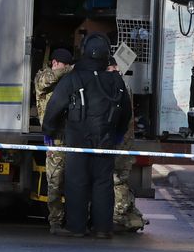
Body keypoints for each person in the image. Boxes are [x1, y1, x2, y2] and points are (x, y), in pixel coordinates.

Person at [42, 33, 131, 239]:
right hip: (106, 140)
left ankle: (76, 227)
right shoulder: (116, 81)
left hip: (78, 139)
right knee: (103, 183)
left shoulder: (74, 78)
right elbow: (126, 112)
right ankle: (102, 228)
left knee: (77, 182)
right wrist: (117, 134)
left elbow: (55, 106)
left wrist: (48, 130)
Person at [33, 48, 74, 234]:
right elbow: (51, 77)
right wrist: (73, 68)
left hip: (71, 138)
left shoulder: (67, 81)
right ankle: (55, 222)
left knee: (72, 182)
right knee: (55, 182)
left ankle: (72, 220)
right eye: (62, 65)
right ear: (55, 63)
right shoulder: (43, 77)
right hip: (54, 139)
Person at [107, 58, 147, 233]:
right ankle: (127, 214)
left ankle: (119, 216)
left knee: (118, 180)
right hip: (123, 141)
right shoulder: (123, 84)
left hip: (120, 143)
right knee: (120, 179)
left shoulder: (118, 85)